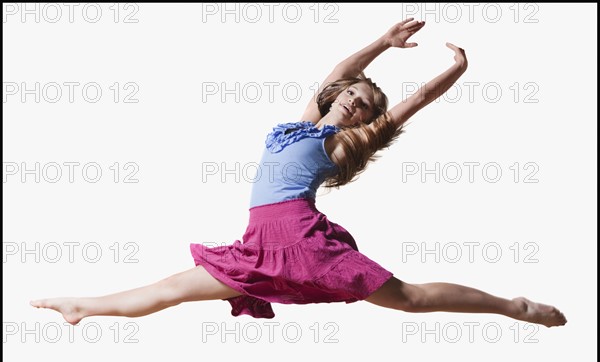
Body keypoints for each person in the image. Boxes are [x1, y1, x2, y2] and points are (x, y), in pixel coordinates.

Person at [30, 19, 567, 328]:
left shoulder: (341, 144)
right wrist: (383, 41)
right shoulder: (301, 125)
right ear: (339, 96)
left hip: (300, 238)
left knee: (409, 300)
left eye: (365, 105)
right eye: (354, 94)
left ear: (366, 118)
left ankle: (514, 307)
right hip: (258, 240)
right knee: (173, 288)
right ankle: (82, 307)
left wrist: (456, 68)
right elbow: (339, 71)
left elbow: (416, 100)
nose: (356, 102)